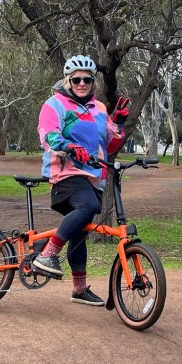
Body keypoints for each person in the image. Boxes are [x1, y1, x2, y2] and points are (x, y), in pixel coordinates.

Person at [33, 55, 130, 306]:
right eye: (76, 79)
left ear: (93, 81)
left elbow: (110, 145)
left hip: (94, 179)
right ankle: (47, 253)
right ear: (68, 80)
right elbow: (48, 135)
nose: (82, 83)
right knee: (89, 207)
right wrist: (69, 147)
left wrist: (118, 123)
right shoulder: (55, 104)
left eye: (87, 79)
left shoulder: (99, 109)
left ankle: (79, 289)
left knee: (80, 232)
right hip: (66, 174)